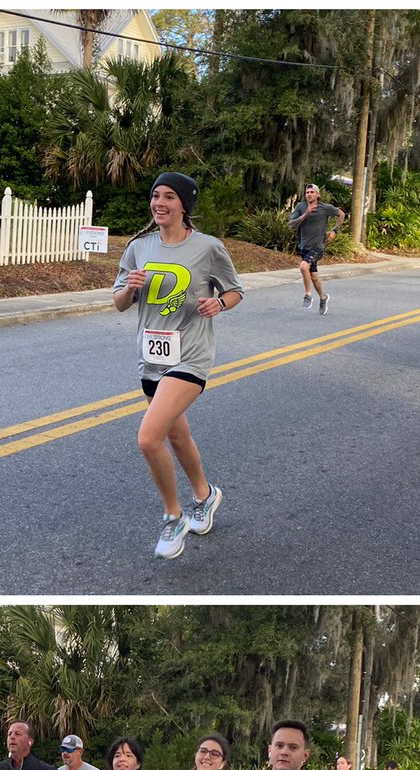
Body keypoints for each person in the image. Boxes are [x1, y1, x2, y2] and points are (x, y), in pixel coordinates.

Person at [113, 171, 245, 560]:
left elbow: (235, 290)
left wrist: (218, 304)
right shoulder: (139, 248)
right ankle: (205, 496)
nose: (160, 203)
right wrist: (131, 288)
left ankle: (174, 517)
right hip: (152, 357)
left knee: (148, 437)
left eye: (170, 197)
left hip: (191, 354)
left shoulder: (208, 248)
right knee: (176, 437)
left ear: (184, 205)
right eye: (155, 195)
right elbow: (119, 303)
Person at [288, 184, 344, 315]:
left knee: (303, 267)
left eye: (312, 192)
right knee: (314, 277)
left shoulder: (325, 208)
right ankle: (323, 297)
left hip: (318, 247)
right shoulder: (301, 207)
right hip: (304, 247)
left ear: (317, 195)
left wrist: (335, 231)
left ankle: (308, 295)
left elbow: (341, 214)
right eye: (307, 192)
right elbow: (291, 225)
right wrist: (305, 215)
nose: (309, 194)